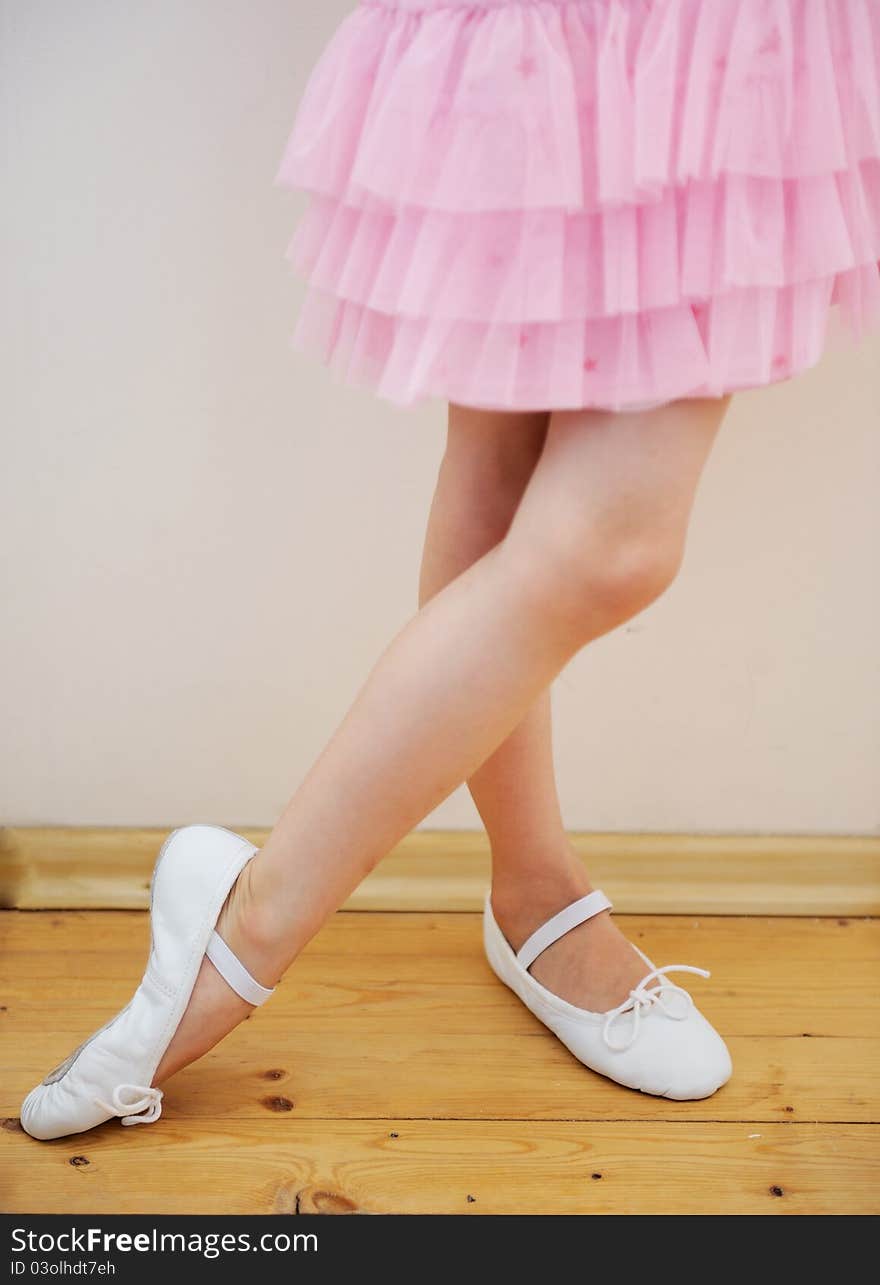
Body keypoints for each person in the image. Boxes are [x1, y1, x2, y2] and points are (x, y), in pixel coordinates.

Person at [22, 0, 880, 1139]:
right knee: (505, 456)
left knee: (597, 537)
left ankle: (347, 910)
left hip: (720, 35)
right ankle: (385, 906)